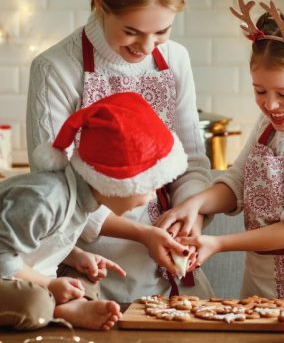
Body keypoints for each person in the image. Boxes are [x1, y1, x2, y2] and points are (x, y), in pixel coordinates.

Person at [26, 0, 213, 302]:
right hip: (85, 264)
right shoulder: (56, 68)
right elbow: (55, 190)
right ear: (99, 1)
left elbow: (192, 160)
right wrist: (141, 234)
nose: (146, 47)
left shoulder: (175, 60)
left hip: (167, 259)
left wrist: (191, 214)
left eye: (162, 32)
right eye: (131, 31)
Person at [157, 0, 284, 299]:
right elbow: (237, 183)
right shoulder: (265, 126)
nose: (270, 104)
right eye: (260, 90)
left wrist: (219, 243)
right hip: (257, 284)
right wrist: (194, 204)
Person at [1, 92, 188, 330]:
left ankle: (66, 304)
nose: (152, 195)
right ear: (116, 181)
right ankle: (57, 307)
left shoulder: (82, 199)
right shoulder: (45, 198)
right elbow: (3, 258)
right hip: (5, 269)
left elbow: (41, 239)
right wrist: (48, 284)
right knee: (34, 303)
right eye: (148, 186)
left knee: (87, 277)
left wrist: (75, 255)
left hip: (21, 272)